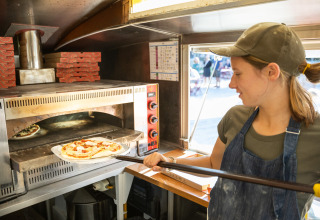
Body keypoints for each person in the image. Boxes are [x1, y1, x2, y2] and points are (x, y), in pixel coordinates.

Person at [144, 22, 320, 219]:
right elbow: (213, 164)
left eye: (238, 74)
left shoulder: (316, 134)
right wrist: (171, 162)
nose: (231, 83)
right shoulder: (235, 117)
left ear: (272, 72)